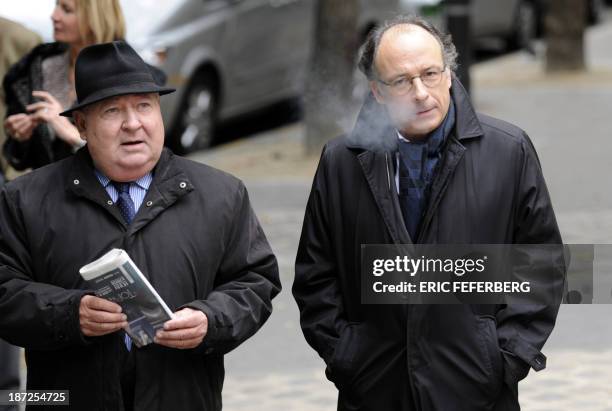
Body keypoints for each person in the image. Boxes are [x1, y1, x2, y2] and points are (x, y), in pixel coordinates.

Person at [293, 15, 563, 411]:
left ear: (449, 74)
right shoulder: (342, 162)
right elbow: (316, 276)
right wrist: (348, 356)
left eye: (431, 73)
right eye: (402, 81)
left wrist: (503, 358)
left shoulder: (508, 151)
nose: (421, 92)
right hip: (375, 391)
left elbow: (543, 267)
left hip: (476, 391)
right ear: (377, 91)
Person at [0, 41, 280, 411]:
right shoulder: (26, 199)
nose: (133, 124)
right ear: (81, 124)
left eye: (144, 106)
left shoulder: (221, 194)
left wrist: (210, 320)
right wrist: (69, 314)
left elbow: (255, 283)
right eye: (113, 110)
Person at [2, 0, 126, 171]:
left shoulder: (126, 72)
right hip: (45, 193)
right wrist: (21, 137)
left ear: (93, 17)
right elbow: (22, 159)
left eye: (66, 10)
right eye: (57, 5)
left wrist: (73, 135)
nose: (54, 16)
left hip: (104, 194)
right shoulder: (40, 65)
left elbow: (132, 157)